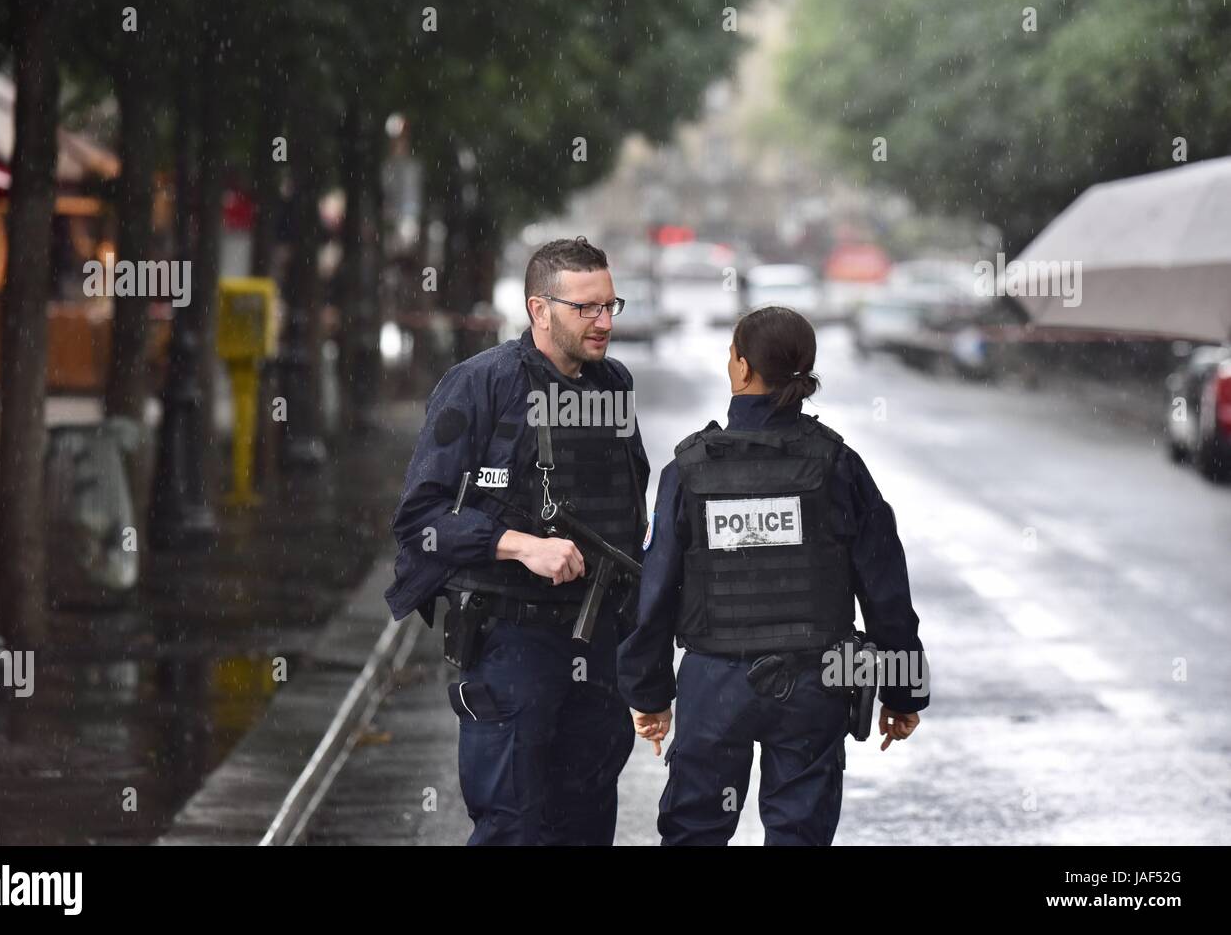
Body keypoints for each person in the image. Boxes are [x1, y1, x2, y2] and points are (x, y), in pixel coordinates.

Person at [617, 305, 929, 846]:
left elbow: (656, 589)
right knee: (799, 833)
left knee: (695, 831)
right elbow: (885, 591)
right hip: (814, 686)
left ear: (740, 368)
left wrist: (648, 694)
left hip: (715, 684)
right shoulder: (837, 465)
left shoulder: (690, 469)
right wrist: (903, 693)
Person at [385, 236, 650, 845]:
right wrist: (520, 544)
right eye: (586, 308)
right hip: (512, 643)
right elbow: (420, 522)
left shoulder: (615, 386)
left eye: (611, 305)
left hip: (597, 644)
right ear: (539, 309)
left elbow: (631, 511)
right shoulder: (479, 385)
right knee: (513, 827)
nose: (604, 321)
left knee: (585, 824)